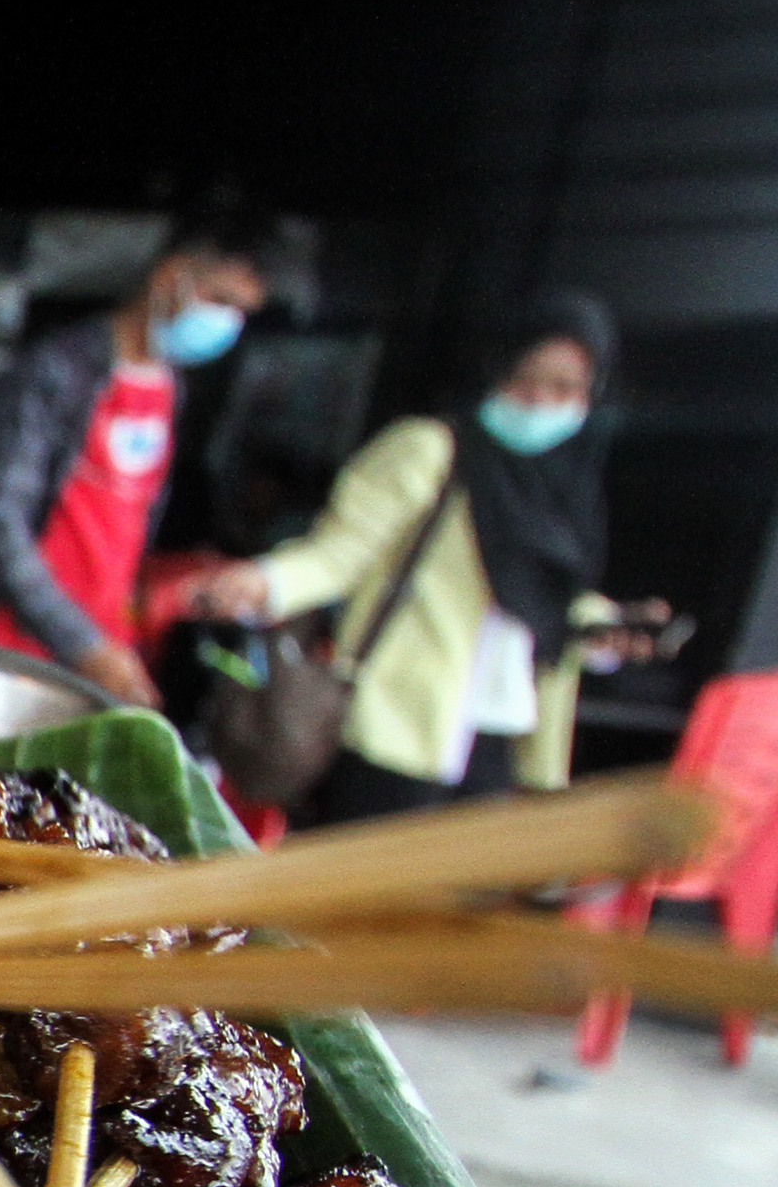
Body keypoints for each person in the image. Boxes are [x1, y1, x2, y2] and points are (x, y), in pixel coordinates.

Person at [178, 291, 681, 819]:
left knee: (446, 900)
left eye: (565, 388)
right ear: (496, 368)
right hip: (399, 727)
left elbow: (540, 600)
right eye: (525, 376)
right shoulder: (430, 449)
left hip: (501, 737)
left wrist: (604, 631)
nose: (539, 399)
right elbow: (342, 552)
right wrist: (265, 581)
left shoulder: (565, 485)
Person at [0, 214, 285, 709]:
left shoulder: (168, 389)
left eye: (243, 311)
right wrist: (82, 642)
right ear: (171, 276)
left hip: (89, 657)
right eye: (221, 299)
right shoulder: (57, 371)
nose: (228, 322)